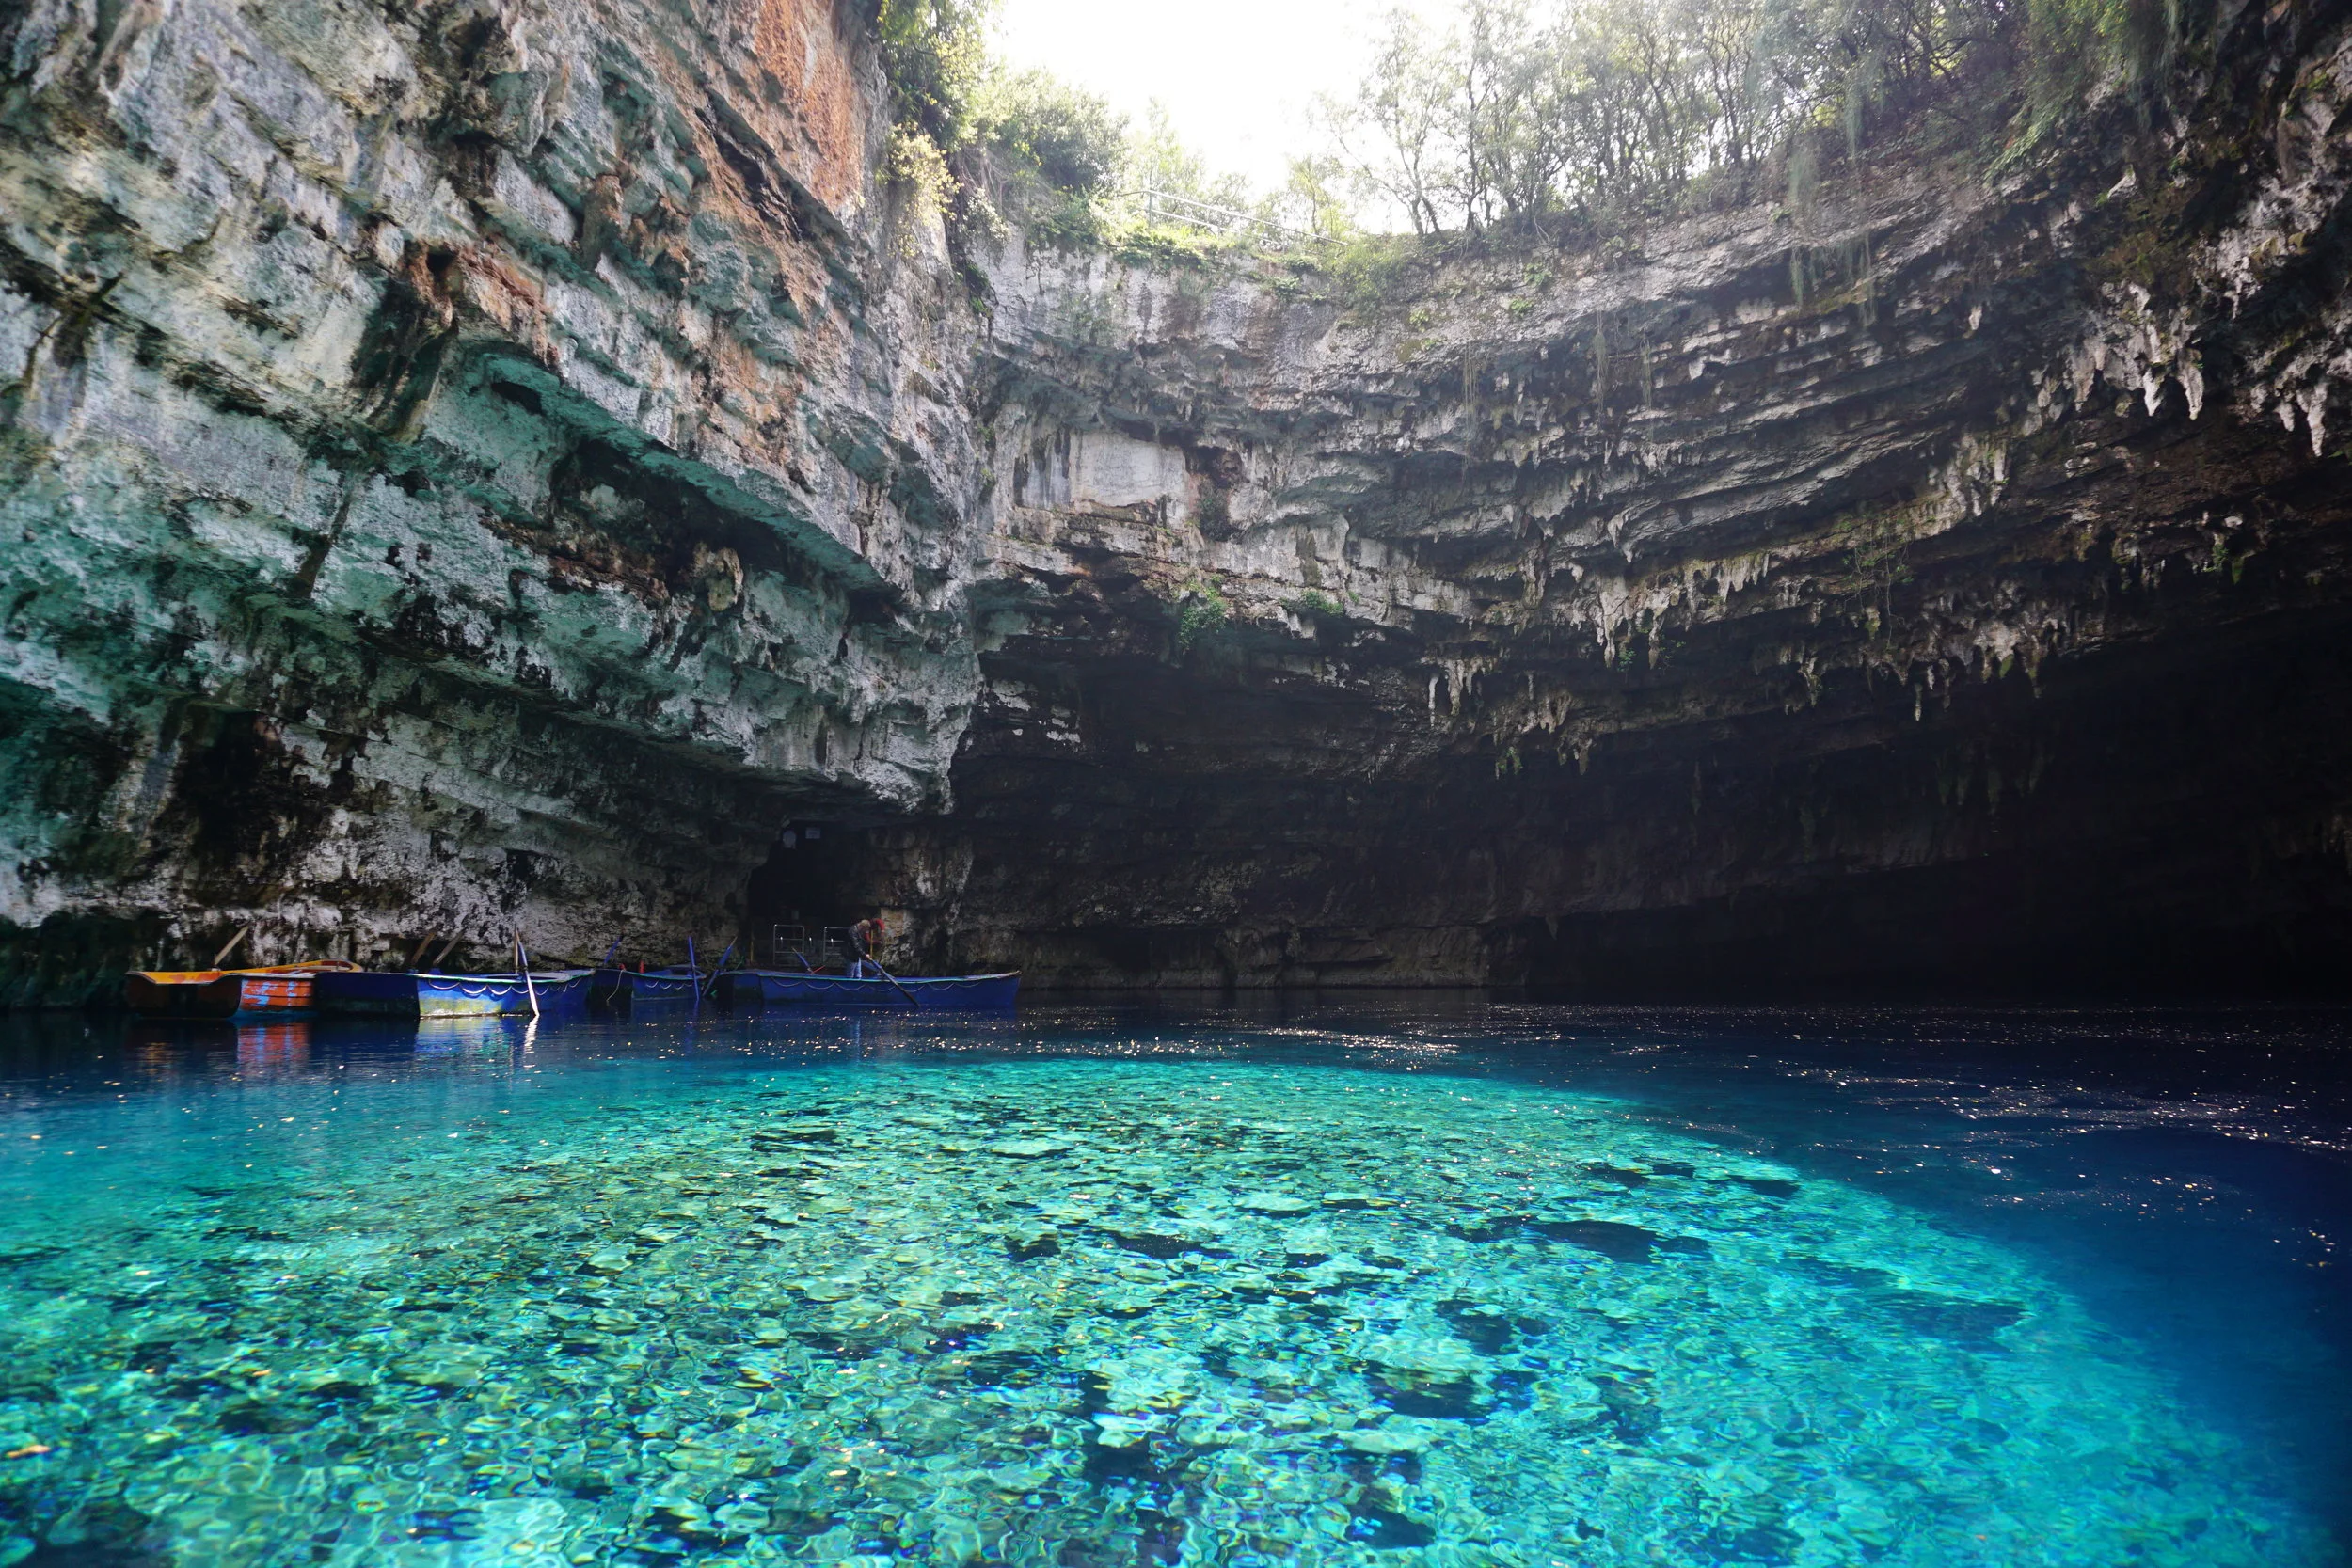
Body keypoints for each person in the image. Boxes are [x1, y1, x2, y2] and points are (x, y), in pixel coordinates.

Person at [850, 913, 887, 977]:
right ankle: (849, 985)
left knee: (858, 973)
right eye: (866, 929)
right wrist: (865, 954)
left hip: (856, 955)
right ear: (862, 927)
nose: (866, 931)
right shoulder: (852, 931)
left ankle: (859, 982)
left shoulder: (859, 931)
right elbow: (856, 945)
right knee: (850, 972)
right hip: (850, 955)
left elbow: (860, 944)